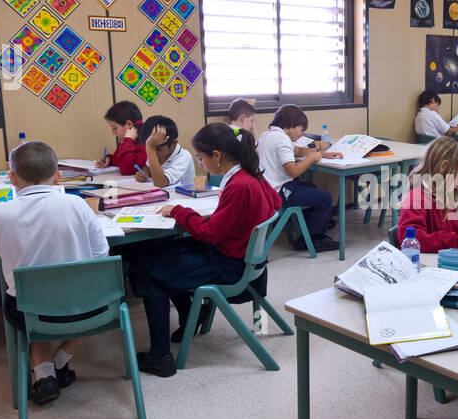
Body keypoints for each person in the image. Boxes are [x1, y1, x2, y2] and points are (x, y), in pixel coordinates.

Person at [0, 140, 109, 405]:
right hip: (89, 307)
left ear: (11, 177)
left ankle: (44, 373)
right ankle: (58, 362)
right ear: (58, 176)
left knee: (35, 302)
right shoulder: (78, 205)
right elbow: (101, 254)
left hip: (29, 311)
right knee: (97, 301)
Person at [129, 124, 283, 376]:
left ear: (217, 155)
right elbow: (276, 202)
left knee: (148, 272)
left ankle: (160, 356)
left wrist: (179, 211)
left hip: (230, 265)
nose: (200, 163)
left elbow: (211, 233)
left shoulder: (239, 184)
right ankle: (190, 310)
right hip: (244, 258)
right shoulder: (252, 174)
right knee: (155, 251)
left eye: (201, 157)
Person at [257, 105, 341, 253]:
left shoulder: (266, 135)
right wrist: (311, 158)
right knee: (325, 198)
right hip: (278, 193)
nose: (301, 134)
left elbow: (294, 150)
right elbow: (293, 172)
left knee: (311, 188)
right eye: (301, 129)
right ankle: (317, 239)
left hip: (266, 189)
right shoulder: (282, 139)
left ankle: (309, 232)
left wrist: (319, 153)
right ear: (291, 125)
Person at [134, 115, 196, 188]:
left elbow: (160, 183)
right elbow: (147, 168)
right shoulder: (155, 150)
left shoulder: (184, 156)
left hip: (185, 197)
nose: (153, 153)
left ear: (174, 143)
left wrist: (150, 148)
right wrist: (142, 174)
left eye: (158, 149)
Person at [98, 102, 145, 174]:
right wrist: (109, 160)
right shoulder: (128, 142)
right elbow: (119, 158)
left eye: (115, 128)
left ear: (129, 124)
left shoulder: (145, 144)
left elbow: (127, 170)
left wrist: (128, 140)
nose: (113, 133)